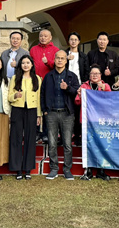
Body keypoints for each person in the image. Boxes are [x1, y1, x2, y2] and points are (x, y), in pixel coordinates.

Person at [41, 50, 80, 180]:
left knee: (67, 143)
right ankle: (54, 169)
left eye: (62, 58)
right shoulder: (48, 76)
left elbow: (77, 92)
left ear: (66, 60)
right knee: (52, 143)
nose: (60, 60)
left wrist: (67, 88)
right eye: (58, 58)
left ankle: (67, 169)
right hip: (51, 113)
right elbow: (42, 93)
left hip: (67, 114)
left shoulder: (72, 76)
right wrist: (44, 110)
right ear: (54, 59)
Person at [8, 55, 42, 180]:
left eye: (28, 63)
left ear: (32, 65)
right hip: (17, 109)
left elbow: (39, 98)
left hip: (32, 110)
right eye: (23, 63)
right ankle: (17, 168)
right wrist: (15, 96)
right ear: (20, 65)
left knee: (30, 138)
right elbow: (9, 96)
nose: (25, 65)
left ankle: (27, 169)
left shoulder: (37, 78)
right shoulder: (15, 78)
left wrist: (39, 115)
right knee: (16, 138)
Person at [76, 64, 112, 181]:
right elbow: (77, 102)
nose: (94, 75)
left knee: (102, 144)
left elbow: (110, 100)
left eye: (97, 73)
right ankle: (88, 170)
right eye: (92, 73)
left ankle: (101, 170)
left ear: (101, 75)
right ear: (89, 75)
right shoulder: (84, 86)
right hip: (87, 120)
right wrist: (79, 95)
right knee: (88, 145)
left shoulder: (105, 86)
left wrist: (104, 88)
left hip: (100, 120)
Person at [29, 29, 59, 143]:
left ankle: (46, 133)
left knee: (47, 108)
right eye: (41, 36)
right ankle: (36, 132)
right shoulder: (33, 49)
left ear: (50, 38)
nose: (43, 38)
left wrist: (47, 62)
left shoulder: (55, 50)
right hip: (35, 81)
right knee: (34, 106)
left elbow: (57, 66)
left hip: (49, 82)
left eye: (46, 36)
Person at [66, 31, 89, 146]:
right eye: (71, 39)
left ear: (79, 42)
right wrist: (66, 59)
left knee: (77, 112)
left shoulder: (83, 56)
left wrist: (83, 85)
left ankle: (77, 135)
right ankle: (65, 136)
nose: (73, 41)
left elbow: (86, 71)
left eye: (75, 39)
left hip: (79, 86)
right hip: (65, 86)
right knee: (66, 112)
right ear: (68, 41)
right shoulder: (64, 54)